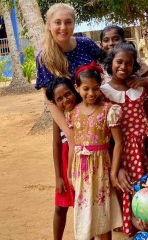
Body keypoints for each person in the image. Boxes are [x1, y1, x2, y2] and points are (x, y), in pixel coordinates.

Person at [100, 42, 148, 236]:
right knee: (128, 187)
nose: (123, 67)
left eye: (128, 63)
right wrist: (117, 167)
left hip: (144, 148)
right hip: (121, 150)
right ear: (110, 63)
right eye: (119, 62)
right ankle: (133, 228)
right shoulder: (104, 93)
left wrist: (145, 82)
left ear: (134, 66)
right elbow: (106, 134)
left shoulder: (138, 88)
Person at [66, 62, 123, 239]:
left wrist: (113, 173)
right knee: (84, 213)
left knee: (102, 212)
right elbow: (73, 145)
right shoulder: (72, 112)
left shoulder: (108, 110)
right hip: (80, 170)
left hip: (101, 169)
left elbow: (119, 143)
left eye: (95, 88)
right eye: (86, 88)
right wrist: (69, 172)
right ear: (77, 88)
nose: (91, 93)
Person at [35, 3, 102, 146]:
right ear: (48, 25)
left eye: (68, 22)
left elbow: (110, 65)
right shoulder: (44, 58)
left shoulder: (86, 44)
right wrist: (69, 132)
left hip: (98, 115)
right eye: (57, 22)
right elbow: (50, 100)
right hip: (69, 120)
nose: (63, 27)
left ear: (74, 24)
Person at [45, 78, 81, 240]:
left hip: (83, 165)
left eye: (68, 94)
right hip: (65, 164)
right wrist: (58, 176)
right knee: (60, 207)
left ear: (74, 91)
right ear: (54, 103)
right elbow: (56, 145)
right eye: (59, 99)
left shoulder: (84, 110)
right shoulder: (58, 118)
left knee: (85, 209)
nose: (65, 100)